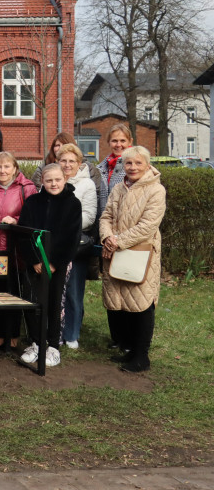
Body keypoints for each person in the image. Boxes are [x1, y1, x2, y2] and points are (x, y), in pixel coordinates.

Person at [100, 145, 166, 373]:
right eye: (128, 163)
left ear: (147, 165)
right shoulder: (119, 188)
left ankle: (141, 356)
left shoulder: (156, 190)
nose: (133, 167)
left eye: (138, 163)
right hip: (115, 251)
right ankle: (128, 349)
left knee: (142, 303)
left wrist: (118, 240)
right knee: (121, 302)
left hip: (142, 253)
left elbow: (148, 226)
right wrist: (107, 236)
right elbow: (106, 215)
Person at [17, 163, 82, 368]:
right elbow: (24, 232)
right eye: (49, 180)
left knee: (54, 304)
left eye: (57, 180)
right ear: (42, 181)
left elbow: (71, 237)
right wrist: (34, 260)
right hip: (34, 263)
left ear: (65, 179)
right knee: (31, 301)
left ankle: (53, 345)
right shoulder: (32, 202)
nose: (53, 184)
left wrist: (53, 263)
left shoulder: (73, 204)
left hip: (57, 265)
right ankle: (36, 342)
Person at [0, 151, 37, 351]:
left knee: (14, 293)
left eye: (6, 166)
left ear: (15, 168)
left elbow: (33, 216)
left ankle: (14, 336)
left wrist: (16, 221)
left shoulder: (27, 188)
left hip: (16, 250)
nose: (2, 171)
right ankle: (0, 334)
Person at [57, 143, 99, 349]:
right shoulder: (52, 179)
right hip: (53, 243)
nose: (67, 165)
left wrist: (63, 223)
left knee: (73, 290)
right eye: (63, 160)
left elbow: (89, 216)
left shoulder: (87, 185)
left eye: (71, 161)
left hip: (75, 243)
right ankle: (55, 330)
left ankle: (71, 333)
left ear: (79, 164)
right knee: (56, 289)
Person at [99, 123, 131, 190]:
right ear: (108, 142)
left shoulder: (136, 166)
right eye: (114, 141)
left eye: (123, 141)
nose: (118, 145)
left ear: (130, 142)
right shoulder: (102, 168)